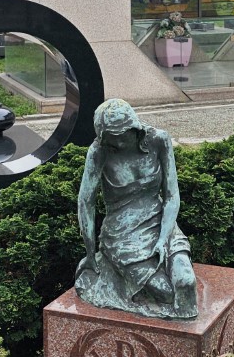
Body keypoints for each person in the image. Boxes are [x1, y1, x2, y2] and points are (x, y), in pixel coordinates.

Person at [76, 98, 197, 319]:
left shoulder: (159, 140)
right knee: (166, 294)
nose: (119, 143)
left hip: (160, 222)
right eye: (112, 138)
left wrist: (163, 238)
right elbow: (85, 203)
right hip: (121, 235)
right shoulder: (99, 152)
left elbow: (171, 196)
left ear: (134, 128)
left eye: (123, 135)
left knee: (186, 284)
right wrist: (90, 253)